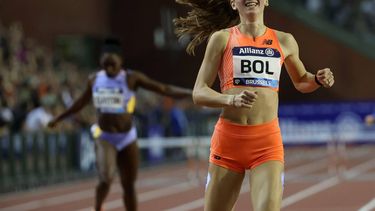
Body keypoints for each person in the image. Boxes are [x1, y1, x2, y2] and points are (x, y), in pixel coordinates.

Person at [174, 0, 334, 210]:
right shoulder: (222, 38)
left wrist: (317, 80)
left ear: (266, 1)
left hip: (266, 143)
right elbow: (199, 92)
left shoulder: (284, 40)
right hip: (228, 141)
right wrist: (230, 99)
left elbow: (302, 80)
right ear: (233, 4)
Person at [48, 38, 192, 211]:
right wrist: (59, 118)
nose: (108, 67)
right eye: (105, 63)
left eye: (112, 64)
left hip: (127, 137)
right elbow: (79, 103)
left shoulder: (131, 78)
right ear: (101, 60)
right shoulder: (94, 80)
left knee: (129, 185)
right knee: (106, 178)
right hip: (104, 136)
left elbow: (163, 89)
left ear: (121, 61)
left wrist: (192, 93)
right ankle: (98, 206)